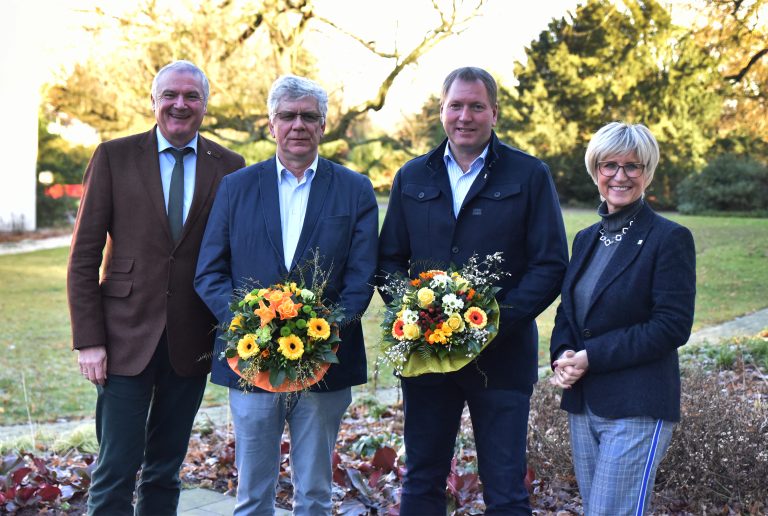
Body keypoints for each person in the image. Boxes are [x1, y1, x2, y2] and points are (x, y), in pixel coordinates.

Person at [378, 66, 568, 515]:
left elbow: (550, 263)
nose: (465, 116)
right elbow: (387, 261)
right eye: (456, 106)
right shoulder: (412, 177)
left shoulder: (529, 175)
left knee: (505, 486)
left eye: (476, 106)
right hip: (426, 358)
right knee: (422, 479)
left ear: (494, 113)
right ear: (441, 111)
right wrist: (415, 318)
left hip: (501, 359)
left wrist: (492, 323)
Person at [67, 60, 245, 515]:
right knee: (115, 468)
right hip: (124, 336)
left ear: (205, 104)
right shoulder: (114, 156)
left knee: (166, 470)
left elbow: (235, 256)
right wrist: (89, 341)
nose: (180, 104)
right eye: (170, 95)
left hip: (191, 339)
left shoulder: (230, 166)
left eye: (191, 96)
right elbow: (84, 255)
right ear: (153, 101)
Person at [194, 74, 378, 515]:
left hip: (325, 361)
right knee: (253, 492)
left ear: (323, 125)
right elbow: (209, 272)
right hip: (250, 360)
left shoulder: (354, 189)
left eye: (309, 116)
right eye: (288, 116)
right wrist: (248, 325)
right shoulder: (237, 187)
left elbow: (361, 277)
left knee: (315, 491)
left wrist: (322, 334)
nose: (298, 124)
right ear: (271, 124)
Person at [550, 122, 696, 515]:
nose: (620, 176)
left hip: (637, 404)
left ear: (647, 172)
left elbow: (671, 325)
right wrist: (563, 355)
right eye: (609, 165)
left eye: (632, 166)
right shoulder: (586, 238)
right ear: (594, 170)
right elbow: (569, 311)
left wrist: (591, 356)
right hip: (584, 402)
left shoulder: (669, 238)